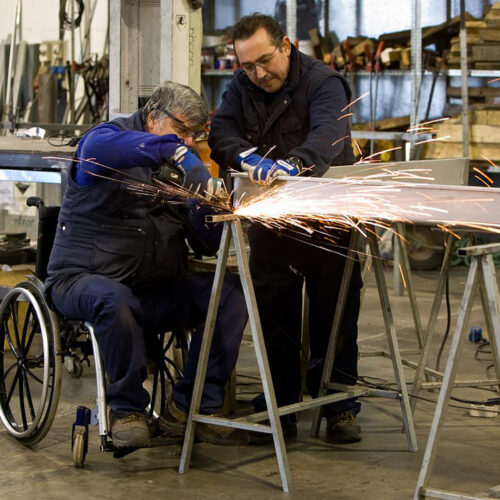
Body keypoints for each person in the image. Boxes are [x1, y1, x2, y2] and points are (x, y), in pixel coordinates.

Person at [45, 81, 248, 448]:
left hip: (151, 288)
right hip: (83, 280)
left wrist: (209, 208)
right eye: (181, 130)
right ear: (153, 118)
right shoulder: (104, 141)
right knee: (114, 299)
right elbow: (111, 148)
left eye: (194, 135)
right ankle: (127, 410)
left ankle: (190, 407)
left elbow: (208, 245)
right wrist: (177, 152)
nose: (187, 142)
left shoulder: (178, 169)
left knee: (230, 294)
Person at [209, 14, 363, 443]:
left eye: (264, 62)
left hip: (328, 216)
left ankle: (338, 406)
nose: (258, 75)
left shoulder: (324, 81)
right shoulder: (241, 87)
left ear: (286, 45)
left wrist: (294, 164)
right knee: (274, 312)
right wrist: (246, 157)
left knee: (333, 309)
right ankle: (279, 406)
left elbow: (331, 134)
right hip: (272, 217)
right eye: (247, 67)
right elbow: (221, 132)